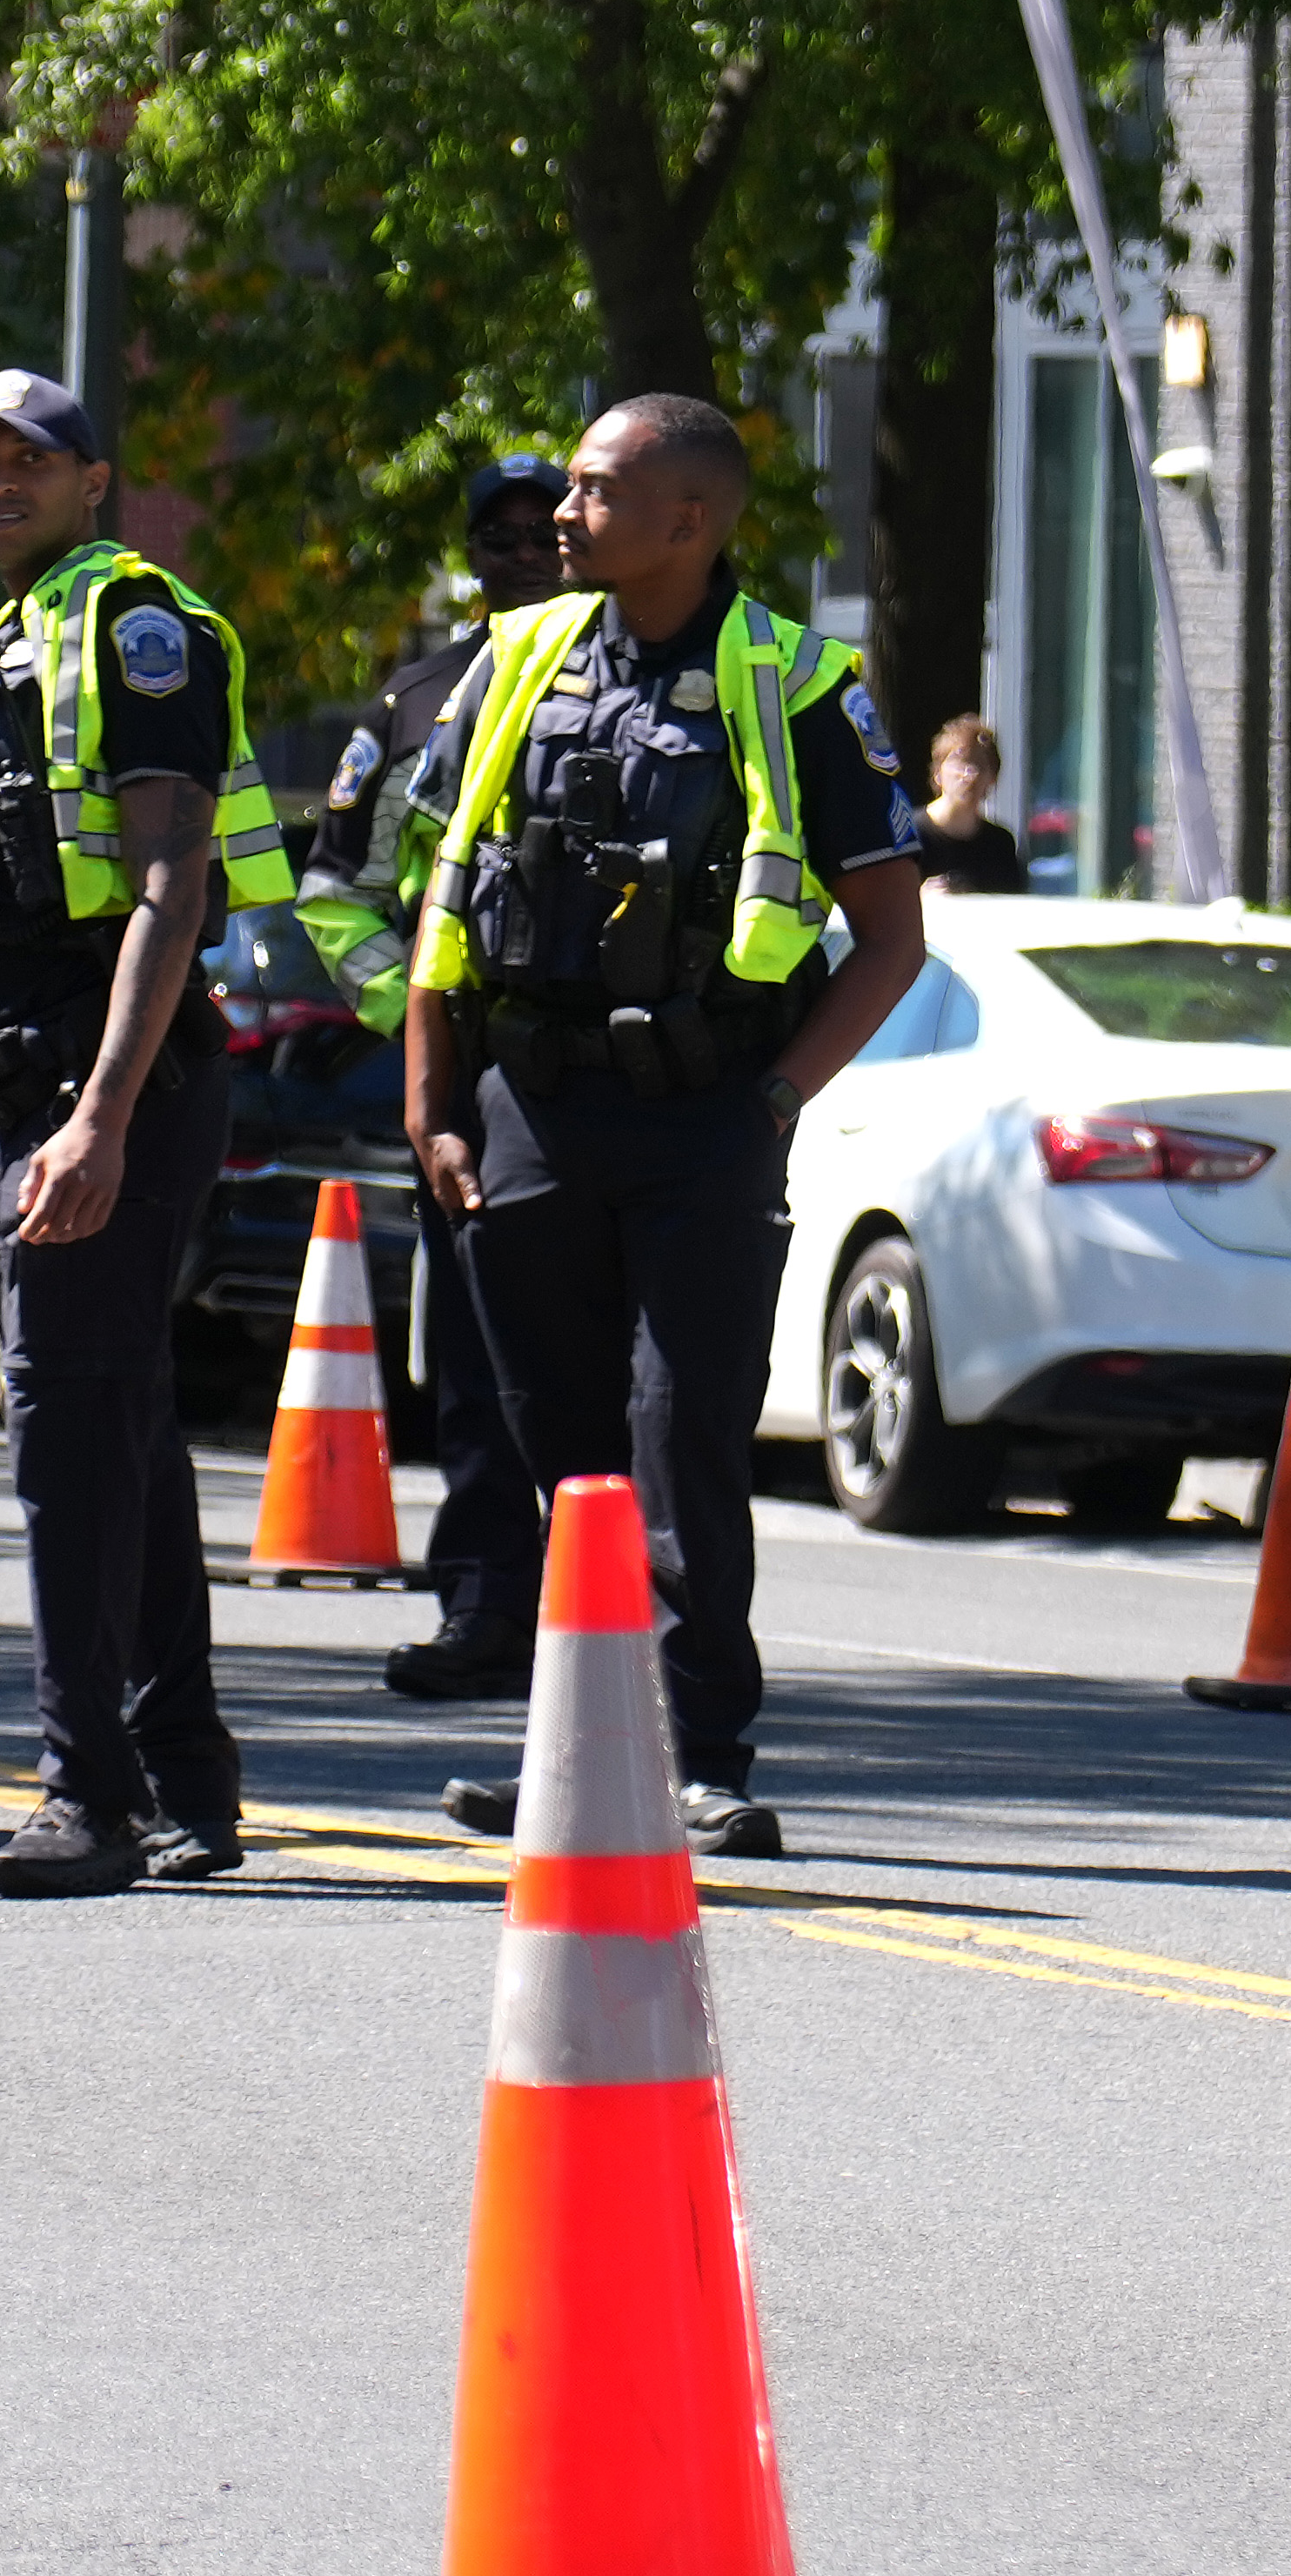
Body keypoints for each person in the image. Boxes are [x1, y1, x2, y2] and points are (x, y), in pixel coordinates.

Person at [401, 395, 930, 1858]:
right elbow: (443, 899)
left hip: (706, 1116)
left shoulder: (799, 683)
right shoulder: (513, 661)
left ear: (687, 518)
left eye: (589, 489)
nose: (557, 516)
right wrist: (432, 1107)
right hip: (531, 1116)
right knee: (557, 1455)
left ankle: (700, 1752)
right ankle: (570, 1753)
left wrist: (774, 1098)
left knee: (677, 1439)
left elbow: (891, 939)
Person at [0, 369, 294, 1897]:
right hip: (36, 1073)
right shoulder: (9, 638)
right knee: (118, 1425)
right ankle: (183, 1783)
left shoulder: (134, 626)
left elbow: (167, 886)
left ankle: (90, 1796)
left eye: (27, 460)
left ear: (95, 477)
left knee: (66, 1429)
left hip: (100, 1073)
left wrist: (98, 1118)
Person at [299, 451, 568, 1701]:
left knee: (601, 1376)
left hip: (601, 1070)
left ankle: (606, 1623)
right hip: (465, 1082)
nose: (523, 553)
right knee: (474, 1370)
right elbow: (336, 897)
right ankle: (483, 1611)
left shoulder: (648, 682)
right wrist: (417, 1032)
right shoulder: (414, 704)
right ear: (472, 557)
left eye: (543, 531)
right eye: (498, 537)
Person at [914, 715, 1028, 893]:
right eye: (960, 764)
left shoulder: (1000, 845)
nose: (969, 775)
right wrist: (921, 897)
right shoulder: (910, 836)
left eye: (980, 766)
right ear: (938, 773)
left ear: (992, 779)